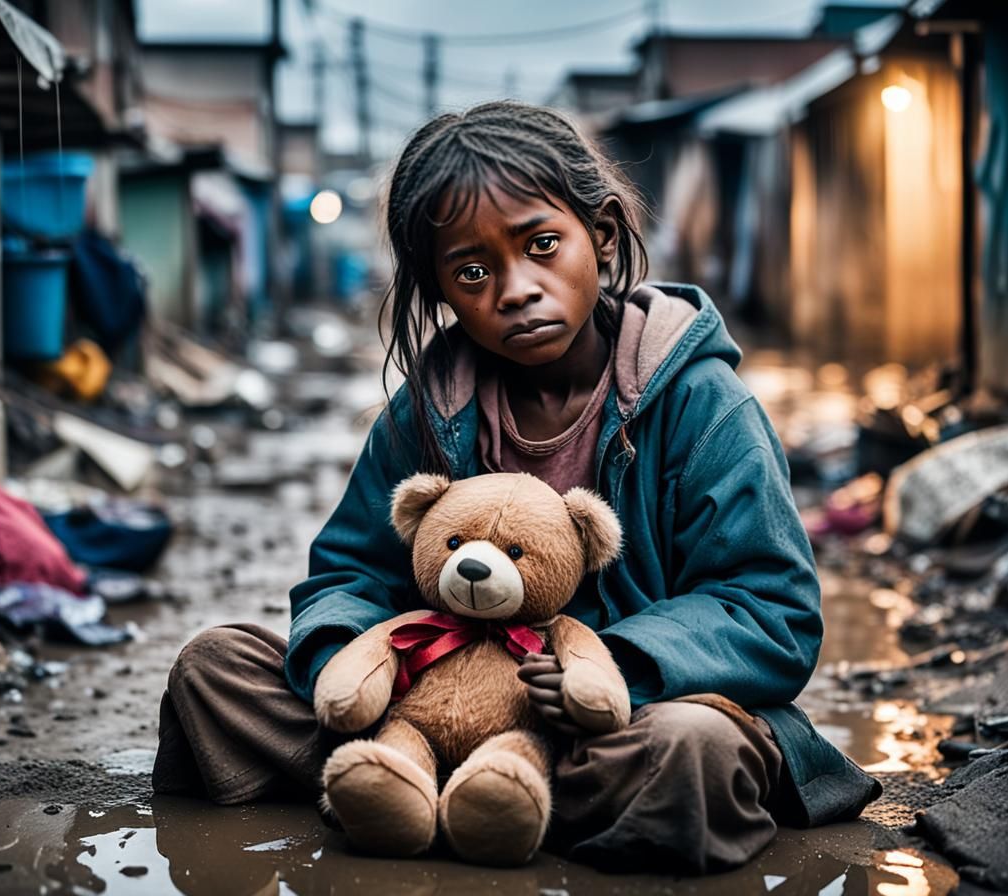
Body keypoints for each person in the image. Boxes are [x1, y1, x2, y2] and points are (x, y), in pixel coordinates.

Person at [152, 101, 880, 874]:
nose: (514, 289)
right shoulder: (425, 416)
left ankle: (443, 799)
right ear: (439, 289)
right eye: (472, 270)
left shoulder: (702, 406)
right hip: (438, 710)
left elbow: (771, 609)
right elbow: (348, 574)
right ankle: (450, 786)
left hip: (617, 725)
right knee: (215, 670)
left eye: (541, 245)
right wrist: (366, 667)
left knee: (692, 752)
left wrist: (613, 669)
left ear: (600, 236)